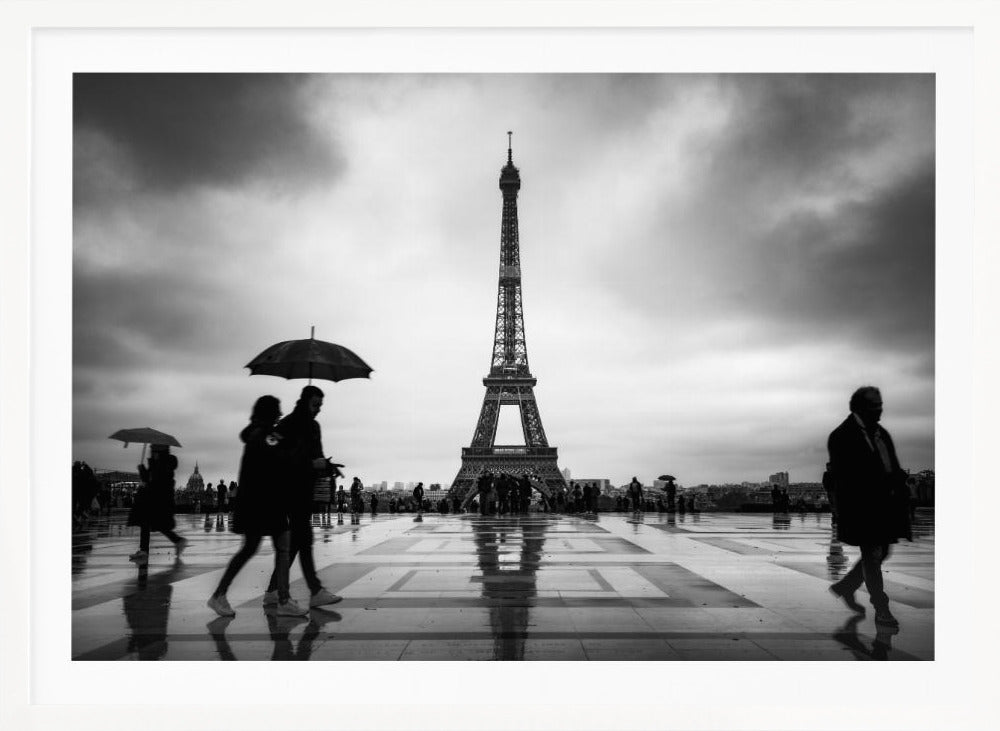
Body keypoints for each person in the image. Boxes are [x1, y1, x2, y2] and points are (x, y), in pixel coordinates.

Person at [208, 396, 306, 617]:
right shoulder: (266, 436)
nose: (279, 414)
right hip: (267, 501)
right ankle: (282, 599)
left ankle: (220, 594)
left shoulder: (257, 433)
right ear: (269, 413)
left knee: (252, 549)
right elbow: (280, 458)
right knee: (282, 548)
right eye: (277, 411)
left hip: (256, 502)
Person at [827, 386, 911, 629]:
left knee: (881, 553)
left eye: (880, 404)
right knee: (873, 556)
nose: (880, 410)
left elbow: (890, 465)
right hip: (863, 507)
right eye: (875, 406)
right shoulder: (842, 436)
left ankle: (846, 586)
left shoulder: (880, 433)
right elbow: (846, 478)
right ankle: (881, 608)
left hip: (884, 505)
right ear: (860, 408)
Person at [263, 385, 342, 609]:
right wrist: (309, 463)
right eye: (315, 404)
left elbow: (317, 456)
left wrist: (328, 466)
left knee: (298, 542)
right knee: (303, 540)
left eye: (320, 406)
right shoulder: (287, 424)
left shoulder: (314, 427)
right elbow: (270, 447)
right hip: (287, 489)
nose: (318, 409)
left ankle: (273, 590)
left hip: (304, 489)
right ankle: (315, 591)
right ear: (305, 401)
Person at [127, 445, 187, 563]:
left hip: (158, 500)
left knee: (153, 524)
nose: (152, 453)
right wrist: (143, 470)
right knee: (153, 524)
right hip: (154, 499)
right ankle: (176, 541)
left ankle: (175, 541)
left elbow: (155, 481)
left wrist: (145, 472)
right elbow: (149, 479)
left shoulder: (164, 464)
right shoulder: (158, 463)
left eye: (154, 451)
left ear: (160, 452)